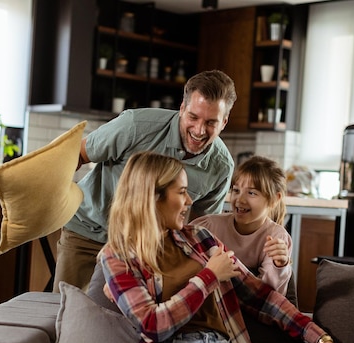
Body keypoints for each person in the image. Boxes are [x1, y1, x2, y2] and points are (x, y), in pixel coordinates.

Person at [99, 151, 352, 343]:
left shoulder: (200, 238)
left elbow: (262, 298)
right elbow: (152, 325)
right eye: (182, 192)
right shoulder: (117, 255)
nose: (189, 200)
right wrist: (208, 277)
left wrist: (322, 340)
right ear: (152, 197)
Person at [53, 70, 237, 292]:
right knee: (69, 315)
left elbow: (200, 227)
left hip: (145, 254)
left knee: (125, 324)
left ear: (224, 122)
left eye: (211, 122)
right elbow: (79, 154)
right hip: (89, 235)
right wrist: (53, 203)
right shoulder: (135, 125)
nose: (199, 130)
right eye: (193, 117)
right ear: (181, 109)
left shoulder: (221, 167)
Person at [190, 155, 295, 301]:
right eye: (236, 190)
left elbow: (269, 297)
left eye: (251, 193)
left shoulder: (276, 238)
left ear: (274, 199)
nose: (240, 200)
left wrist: (280, 265)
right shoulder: (209, 226)